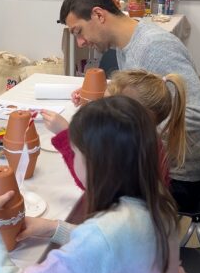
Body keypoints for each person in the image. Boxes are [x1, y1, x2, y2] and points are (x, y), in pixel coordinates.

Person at [0, 96, 199, 273]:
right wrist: (53, 228)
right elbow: (119, 248)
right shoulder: (156, 197)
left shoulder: (105, 235)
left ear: (97, 164)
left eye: (76, 152)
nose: (74, 157)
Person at [58, 0, 200, 211]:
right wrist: (107, 98)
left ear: (99, 15)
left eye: (78, 31)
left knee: (90, 185)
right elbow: (145, 97)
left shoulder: (154, 47)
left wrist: (131, 123)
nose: (80, 43)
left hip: (181, 178)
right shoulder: (126, 45)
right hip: (160, 163)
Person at [42, 69, 186, 191]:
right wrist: (88, 99)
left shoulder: (127, 156)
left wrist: (65, 135)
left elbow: (91, 184)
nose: (101, 108)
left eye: (105, 105)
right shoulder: (146, 139)